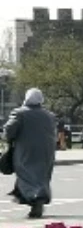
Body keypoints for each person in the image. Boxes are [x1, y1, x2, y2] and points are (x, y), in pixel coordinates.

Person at [4, 89, 56, 218]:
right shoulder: (49, 115)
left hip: (26, 150)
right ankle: (33, 197)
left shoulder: (20, 113)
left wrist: (8, 138)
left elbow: (9, 130)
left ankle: (35, 198)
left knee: (26, 174)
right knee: (41, 176)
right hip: (46, 151)